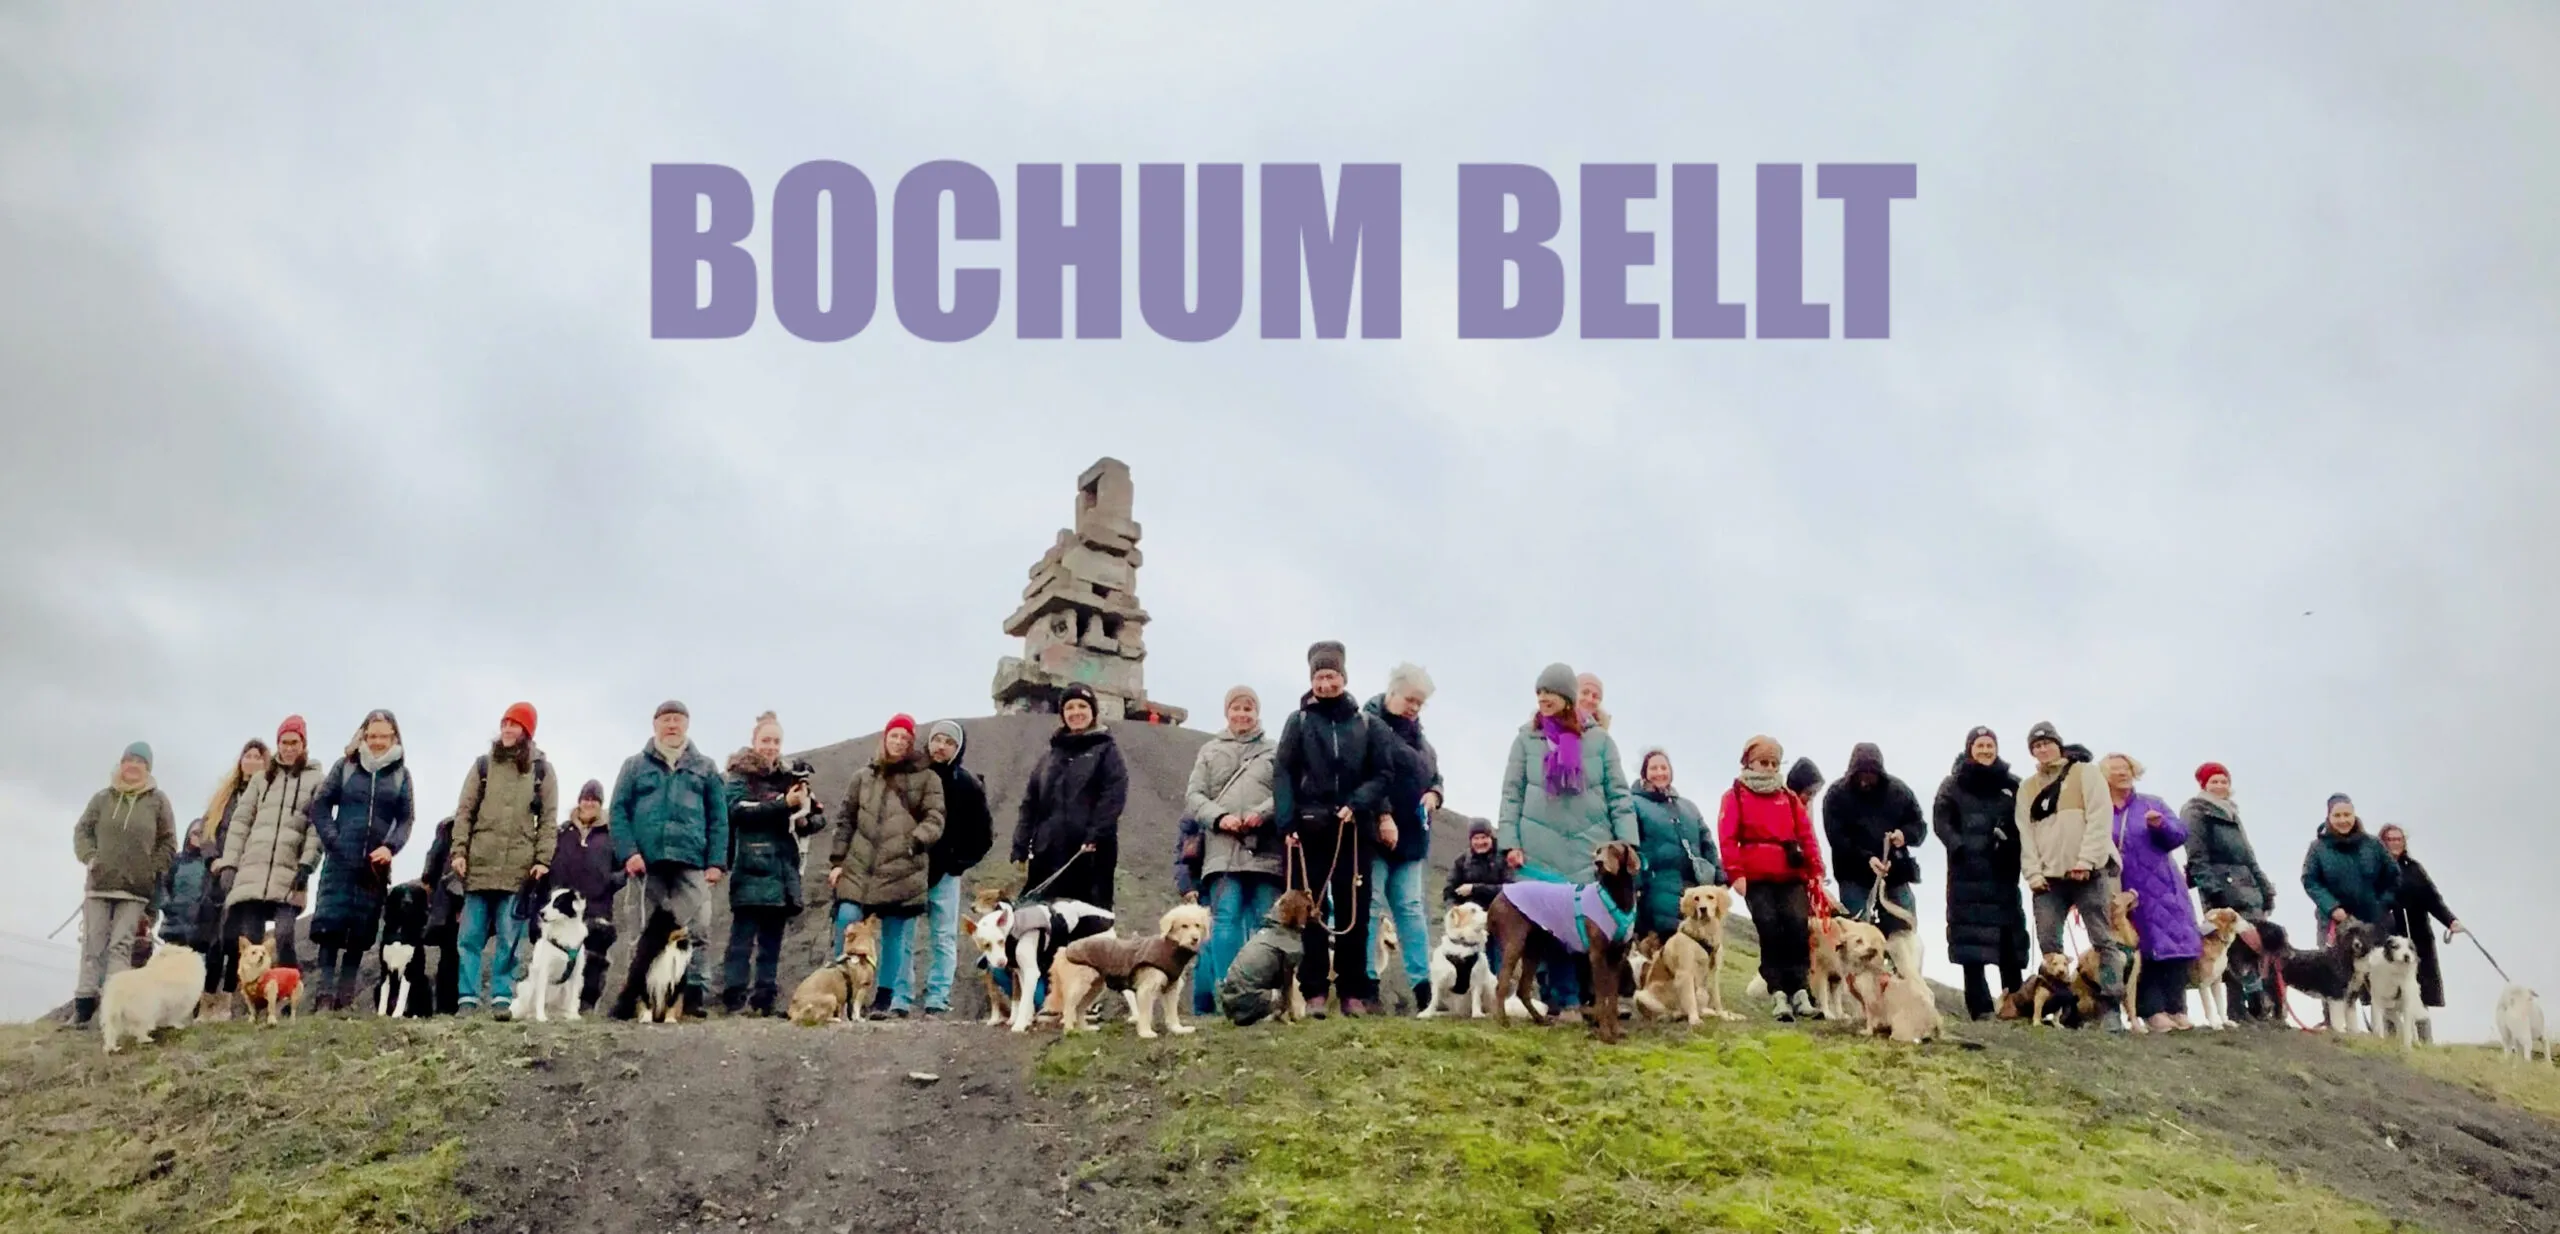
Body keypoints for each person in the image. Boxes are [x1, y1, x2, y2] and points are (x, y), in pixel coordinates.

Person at [1497, 662, 1638, 1019]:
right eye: (1539, 693)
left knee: (1590, 928)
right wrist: (1510, 841)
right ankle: (1561, 1001)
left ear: (1566, 698)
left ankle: (1594, 1003)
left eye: (1550, 693)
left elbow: (1619, 795)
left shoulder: (1601, 741)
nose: (1542, 698)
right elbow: (1511, 793)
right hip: (1538, 845)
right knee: (1548, 927)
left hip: (1589, 846)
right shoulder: (1525, 739)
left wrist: (1626, 842)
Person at [1275, 641, 1393, 1017]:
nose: (1326, 683)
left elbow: (1383, 773)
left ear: (1344, 677)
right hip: (1310, 828)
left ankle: (1352, 990)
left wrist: (1358, 802)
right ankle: (1313, 991)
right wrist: (1287, 821)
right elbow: (1284, 772)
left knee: (1353, 908)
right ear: (1312, 680)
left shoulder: (1367, 724)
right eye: (1320, 677)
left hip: (1355, 829)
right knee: (1310, 909)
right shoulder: (1299, 722)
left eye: (1332, 675)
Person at [609, 700, 730, 1019]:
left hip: (692, 860)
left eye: (677, 719)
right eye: (666, 720)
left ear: (687, 725)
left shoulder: (706, 766)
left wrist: (716, 861)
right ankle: (640, 998)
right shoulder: (634, 766)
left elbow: (719, 818)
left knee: (699, 928)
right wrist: (629, 853)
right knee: (643, 933)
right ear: (655, 725)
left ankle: (692, 998)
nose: (672, 725)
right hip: (647, 863)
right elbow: (618, 812)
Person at [830, 713, 946, 1019]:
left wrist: (915, 841)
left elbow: (935, 818)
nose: (898, 742)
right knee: (847, 919)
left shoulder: (927, 778)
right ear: (885, 737)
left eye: (905, 738)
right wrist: (837, 862)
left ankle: (883, 998)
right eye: (894, 736)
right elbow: (845, 820)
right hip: (860, 867)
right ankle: (841, 988)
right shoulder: (863, 776)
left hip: (902, 868)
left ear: (911, 743)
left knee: (895, 935)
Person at [448, 702, 557, 1018]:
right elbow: (464, 811)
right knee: (469, 938)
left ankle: (501, 998)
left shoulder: (541, 771)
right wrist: (458, 851)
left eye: (515, 724)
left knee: (510, 938)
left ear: (527, 731)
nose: (508, 729)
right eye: (505, 723)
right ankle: (467, 999)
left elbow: (548, 820)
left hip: (518, 868)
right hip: (479, 864)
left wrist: (542, 859)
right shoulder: (483, 766)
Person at [2016, 721, 2126, 1031]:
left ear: (2058, 745)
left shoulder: (2085, 773)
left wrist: (2087, 860)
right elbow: (2026, 833)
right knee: (2050, 944)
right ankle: (2056, 1009)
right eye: (2036, 746)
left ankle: (2110, 1007)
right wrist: (2032, 873)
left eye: (2047, 743)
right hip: (2048, 878)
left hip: (2088, 872)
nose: (2042, 749)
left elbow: (2100, 819)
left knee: (2103, 940)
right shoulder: (2028, 787)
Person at [307, 710, 416, 1013]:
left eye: (384, 736)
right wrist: (333, 839)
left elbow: (406, 819)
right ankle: (324, 997)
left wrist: (390, 848)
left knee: (360, 932)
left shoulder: (401, 775)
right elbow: (319, 806)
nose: (378, 742)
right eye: (372, 736)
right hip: (341, 858)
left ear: (394, 737)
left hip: (374, 866)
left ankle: (346, 999)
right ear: (363, 736)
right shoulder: (345, 767)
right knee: (330, 929)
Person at [723, 712, 826, 1017]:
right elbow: (738, 812)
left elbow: (819, 816)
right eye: (765, 740)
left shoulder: (791, 778)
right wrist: (784, 806)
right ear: (754, 741)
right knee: (741, 941)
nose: (771, 746)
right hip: (750, 868)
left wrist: (804, 818)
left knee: (772, 942)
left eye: (776, 741)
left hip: (782, 871)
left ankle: (764, 1000)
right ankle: (734, 999)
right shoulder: (740, 777)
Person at [69, 742, 177, 1029]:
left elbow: (168, 841)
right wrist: (90, 857)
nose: (132, 765)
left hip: (135, 890)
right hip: (99, 884)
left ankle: (112, 1008)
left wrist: (153, 869)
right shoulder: (102, 798)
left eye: (139, 761)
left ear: (148, 768)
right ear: (120, 764)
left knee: (121, 947)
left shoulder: (158, 801)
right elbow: (82, 830)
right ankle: (82, 1006)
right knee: (93, 945)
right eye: (128, 760)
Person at [1186, 686, 1279, 1017]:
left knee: (1267, 924)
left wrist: (1263, 813)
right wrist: (1220, 818)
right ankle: (1230, 996)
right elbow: (1194, 796)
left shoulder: (1274, 750)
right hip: (1222, 851)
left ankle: (1264, 994)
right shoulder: (1210, 750)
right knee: (1225, 921)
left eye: (1248, 708)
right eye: (1237, 708)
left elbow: (1286, 791)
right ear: (1227, 712)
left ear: (1257, 713)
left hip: (1265, 850)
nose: (1242, 714)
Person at [1721, 735, 1827, 1022]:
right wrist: (1736, 874)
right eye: (1763, 762)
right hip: (1756, 877)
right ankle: (1778, 991)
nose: (1768, 768)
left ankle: (1801, 991)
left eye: (1773, 763)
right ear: (1749, 763)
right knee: (1768, 928)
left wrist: (1816, 870)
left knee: (1796, 925)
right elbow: (1728, 838)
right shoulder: (1734, 796)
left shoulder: (1788, 798)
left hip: (1791, 874)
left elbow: (1806, 836)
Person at [215, 716, 323, 983]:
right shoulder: (261, 779)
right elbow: (241, 822)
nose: (288, 748)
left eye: (294, 742)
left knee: (285, 935)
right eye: (284, 742)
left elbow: (316, 827)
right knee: (251, 939)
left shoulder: (317, 780)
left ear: (303, 743)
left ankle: (290, 993)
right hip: (254, 870)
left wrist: (307, 863)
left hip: (290, 871)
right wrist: (230, 863)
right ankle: (255, 1002)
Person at [1931, 727, 2029, 1021]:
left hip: (2002, 873)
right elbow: (1941, 819)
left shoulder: (2013, 785)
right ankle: (1981, 1007)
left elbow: (2026, 821)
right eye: (1980, 745)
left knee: (2009, 941)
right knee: (1970, 944)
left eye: (1990, 745)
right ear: (1969, 748)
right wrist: (1959, 846)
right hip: (1966, 875)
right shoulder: (1953, 784)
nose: (1986, 750)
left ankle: (2017, 1003)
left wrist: (2012, 844)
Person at [2102, 754, 2202, 1032]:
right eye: (2115, 770)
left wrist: (2161, 825)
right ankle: (2151, 1010)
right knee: (2141, 948)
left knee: (2175, 946)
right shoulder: (2100, 810)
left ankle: (2177, 1007)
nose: (2123, 773)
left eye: (2127, 769)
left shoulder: (2152, 802)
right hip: (2126, 886)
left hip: (2163, 884)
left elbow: (2179, 836)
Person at [1366, 662, 1443, 1014]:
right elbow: (1366, 774)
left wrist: (1435, 795)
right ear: (1392, 692)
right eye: (1410, 699)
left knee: (1411, 910)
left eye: (1420, 703)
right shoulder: (1367, 725)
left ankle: (1424, 989)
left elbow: (1435, 776)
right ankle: (1367, 985)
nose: (1414, 707)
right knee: (1371, 909)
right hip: (1374, 834)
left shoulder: (1423, 740)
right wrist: (1383, 815)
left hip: (1411, 839)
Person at [1011, 683, 1128, 911]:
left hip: (1088, 855)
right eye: (1070, 707)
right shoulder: (1049, 756)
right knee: (1042, 920)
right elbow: (1030, 804)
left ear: (1093, 711)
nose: (1076, 712)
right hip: (1047, 852)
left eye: (1082, 706)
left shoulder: (1107, 750)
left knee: (1087, 924)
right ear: (1062, 714)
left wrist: (1095, 834)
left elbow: (1113, 795)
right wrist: (1021, 844)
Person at [2181, 761, 2277, 1021]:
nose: (2220, 786)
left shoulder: (2232, 813)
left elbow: (2248, 855)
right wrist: (2214, 890)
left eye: (2224, 781)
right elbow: (2196, 856)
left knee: (2256, 947)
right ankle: (2235, 1009)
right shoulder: (2195, 811)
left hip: (2248, 886)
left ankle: (2261, 1007)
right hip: (2221, 888)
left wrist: (2265, 887)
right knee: (2228, 950)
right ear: (2204, 785)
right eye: (2214, 781)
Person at [1822, 743, 1927, 972]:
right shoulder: (1836, 796)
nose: (1866, 780)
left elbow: (1919, 826)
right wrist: (1867, 859)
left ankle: (1904, 981)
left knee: (1904, 933)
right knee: (1857, 935)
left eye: (1871, 774)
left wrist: (1904, 835)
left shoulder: (1899, 793)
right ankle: (1858, 988)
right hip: (1854, 875)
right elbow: (1838, 839)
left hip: (1895, 874)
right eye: (1861, 774)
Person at [187, 738, 268, 1018]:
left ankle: (228, 1001)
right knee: (213, 943)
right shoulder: (225, 796)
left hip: (248, 878)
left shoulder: (267, 795)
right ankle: (206, 1000)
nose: (252, 761)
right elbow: (207, 829)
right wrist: (212, 859)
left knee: (238, 941)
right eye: (248, 755)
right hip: (217, 877)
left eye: (258, 756)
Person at [920, 720, 993, 1018]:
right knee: (900, 932)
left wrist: (958, 864)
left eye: (948, 741)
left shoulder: (967, 784)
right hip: (909, 870)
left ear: (958, 747)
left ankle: (938, 996)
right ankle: (898, 997)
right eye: (936, 739)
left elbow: (984, 835)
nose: (941, 746)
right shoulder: (914, 776)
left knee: (944, 935)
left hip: (946, 874)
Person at [546, 780, 626, 1013]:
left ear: (601, 804)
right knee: (560, 956)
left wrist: (610, 882)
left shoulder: (611, 835)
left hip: (597, 906)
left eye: (594, 799)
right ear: (579, 801)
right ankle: (556, 1005)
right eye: (586, 798)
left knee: (594, 960)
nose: (589, 803)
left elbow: (625, 868)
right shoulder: (562, 832)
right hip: (564, 909)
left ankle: (586, 1007)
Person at [2378, 824, 2461, 1044]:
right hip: (2388, 939)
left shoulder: (2415, 869)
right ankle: (2391, 1041)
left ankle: (2425, 1042)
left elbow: (2433, 899)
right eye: (2390, 839)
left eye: (2399, 839)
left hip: (2418, 939)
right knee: (2387, 990)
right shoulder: (2376, 870)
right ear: (2382, 842)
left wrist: (2450, 920)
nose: (2395, 843)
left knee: (2418, 990)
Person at [1630, 748, 1721, 942]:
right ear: (1644, 773)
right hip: (1656, 889)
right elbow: (1631, 846)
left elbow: (1707, 842)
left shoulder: (1688, 807)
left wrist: (1719, 874)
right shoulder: (1634, 804)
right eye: (1653, 768)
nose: (1659, 772)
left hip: (1693, 890)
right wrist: (1635, 884)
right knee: (1665, 949)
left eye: (1664, 767)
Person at [2301, 793, 2398, 936]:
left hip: (2375, 924)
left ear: (2354, 815)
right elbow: (2310, 881)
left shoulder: (2373, 844)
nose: (2343, 820)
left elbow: (2394, 876)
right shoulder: (2317, 848)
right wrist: (2332, 908)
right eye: (2337, 815)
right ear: (2329, 817)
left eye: (2347, 815)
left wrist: (2382, 905)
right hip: (2335, 925)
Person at [417, 815, 464, 1014]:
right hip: (450, 899)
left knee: (453, 954)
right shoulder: (449, 826)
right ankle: (448, 1006)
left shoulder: (449, 825)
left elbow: (432, 862)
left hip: (454, 898)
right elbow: (434, 860)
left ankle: (451, 1006)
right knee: (452, 954)